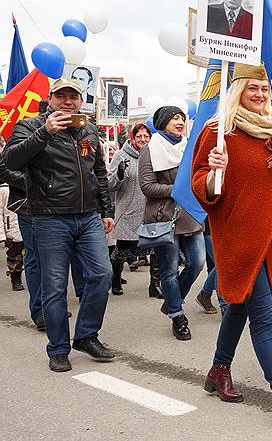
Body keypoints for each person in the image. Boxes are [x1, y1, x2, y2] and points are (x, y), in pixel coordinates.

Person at [191, 62, 272, 431]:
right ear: (238, 90)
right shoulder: (218, 131)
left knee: (239, 308)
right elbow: (199, 183)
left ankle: (218, 369)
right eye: (252, 88)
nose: (259, 95)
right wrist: (213, 172)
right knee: (263, 315)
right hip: (237, 235)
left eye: (263, 89)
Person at [3, 78, 116, 372]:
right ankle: (58, 349)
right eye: (61, 96)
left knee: (102, 275)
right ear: (51, 99)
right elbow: (10, 161)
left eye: (73, 97)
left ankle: (87, 335)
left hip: (88, 217)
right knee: (54, 287)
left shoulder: (89, 129)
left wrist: (107, 210)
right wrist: (44, 132)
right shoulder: (30, 126)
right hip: (49, 218)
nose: (68, 102)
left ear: (81, 101)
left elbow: (99, 173)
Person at [139, 105, 205, 341]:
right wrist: (178, 190)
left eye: (182, 117)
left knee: (197, 263)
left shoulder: (189, 147)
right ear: (163, 122)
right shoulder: (150, 150)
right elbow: (147, 186)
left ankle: (171, 300)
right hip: (163, 217)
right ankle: (177, 315)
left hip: (190, 215)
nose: (180, 121)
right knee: (168, 270)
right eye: (175, 118)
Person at [107, 123, 151, 295]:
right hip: (128, 210)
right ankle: (115, 281)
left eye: (146, 136)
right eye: (139, 136)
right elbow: (110, 185)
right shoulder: (121, 155)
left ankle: (154, 285)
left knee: (153, 248)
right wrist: (119, 173)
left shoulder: (153, 154)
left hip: (148, 210)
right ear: (133, 138)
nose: (143, 139)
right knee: (122, 249)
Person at [0, 181, 24, 290]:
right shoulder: (3, 189)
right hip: (12, 228)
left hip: (29, 224)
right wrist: (2, 235)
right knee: (15, 256)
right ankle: (15, 278)